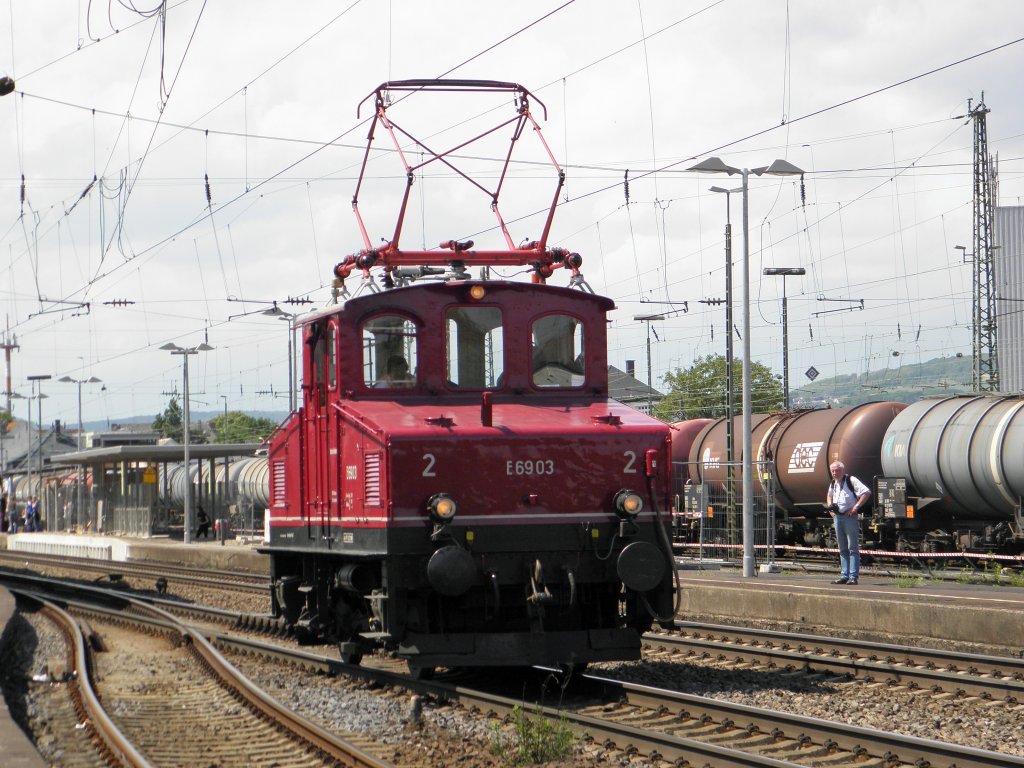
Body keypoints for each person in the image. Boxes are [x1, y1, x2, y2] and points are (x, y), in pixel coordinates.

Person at [826, 460, 871, 585]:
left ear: (843, 470)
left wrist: (855, 508)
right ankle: (844, 575)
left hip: (849, 517)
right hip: (838, 517)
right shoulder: (833, 483)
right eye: (832, 471)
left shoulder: (851, 480)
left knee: (852, 547)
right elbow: (829, 495)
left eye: (837, 470)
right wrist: (831, 509)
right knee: (842, 548)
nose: (834, 473)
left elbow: (866, 492)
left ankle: (853, 576)